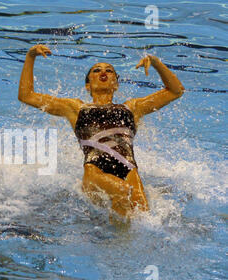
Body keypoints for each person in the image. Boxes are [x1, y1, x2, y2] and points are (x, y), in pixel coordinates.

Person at [18, 44, 184, 217]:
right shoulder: (75, 108)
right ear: (87, 86)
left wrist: (157, 63)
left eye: (109, 70)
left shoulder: (132, 108)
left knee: (142, 217)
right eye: (96, 70)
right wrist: (30, 56)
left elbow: (175, 91)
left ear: (116, 84)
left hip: (129, 171)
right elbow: (26, 95)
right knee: (122, 191)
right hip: (94, 173)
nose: (103, 72)